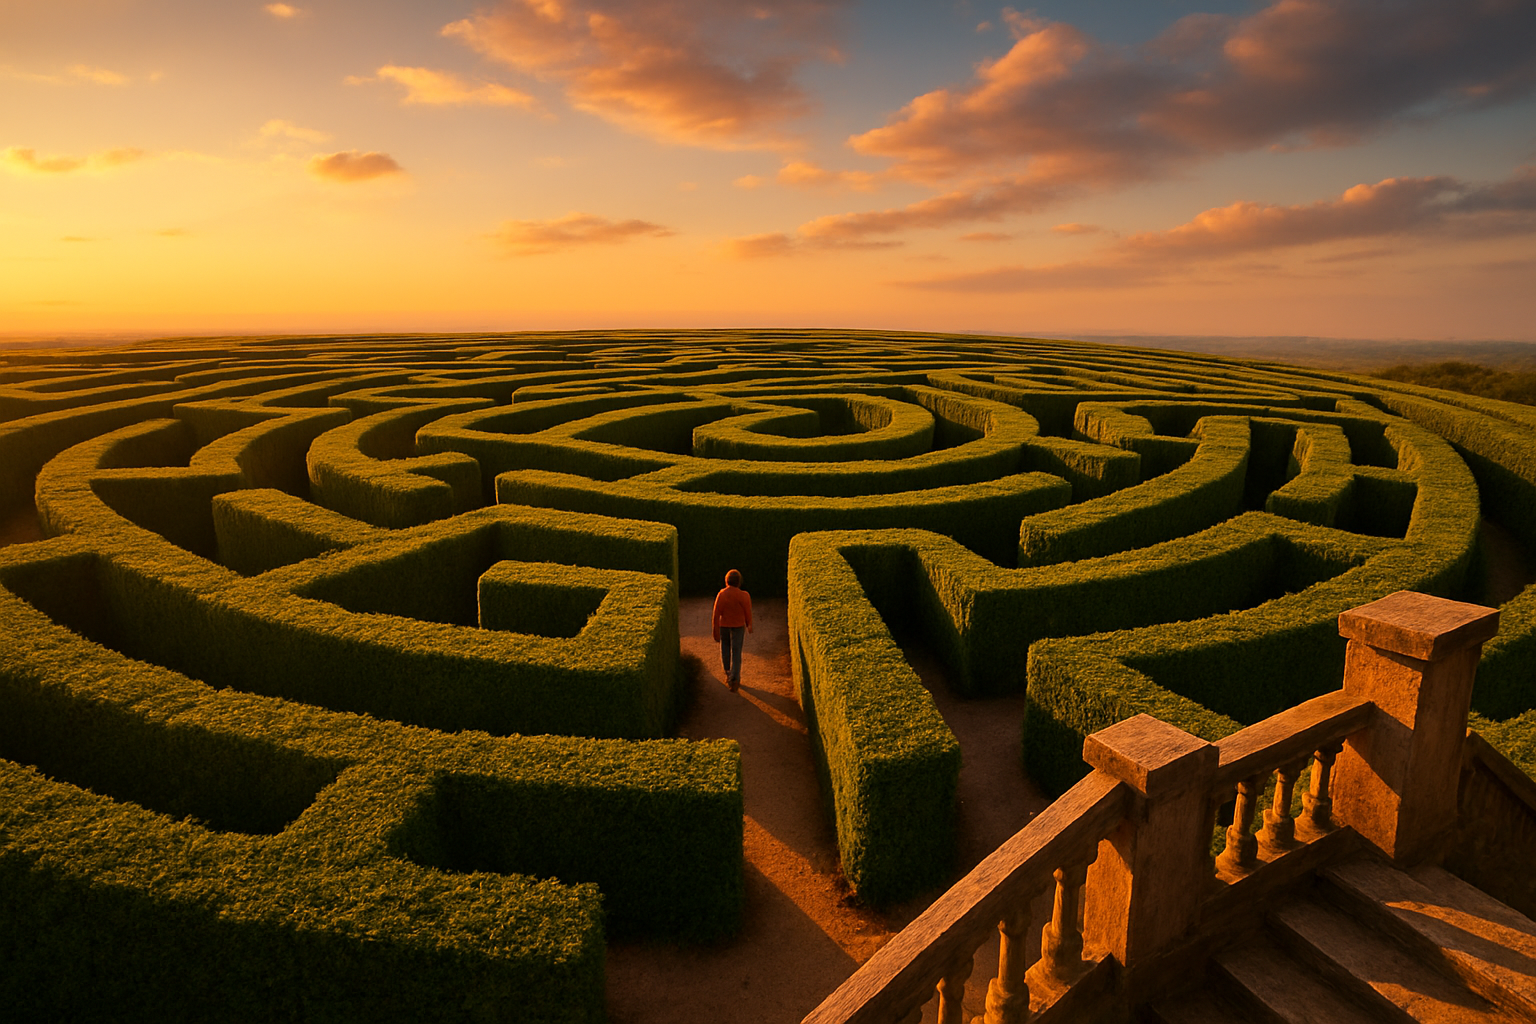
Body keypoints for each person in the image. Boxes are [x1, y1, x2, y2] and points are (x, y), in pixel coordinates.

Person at [712, 569, 753, 692]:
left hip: (724, 626)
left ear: (727, 581)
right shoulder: (744, 595)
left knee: (725, 649)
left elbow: (716, 614)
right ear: (739, 582)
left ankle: (728, 673)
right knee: (736, 652)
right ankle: (735, 679)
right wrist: (749, 624)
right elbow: (748, 612)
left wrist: (715, 631)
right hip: (738, 626)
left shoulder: (722, 594)